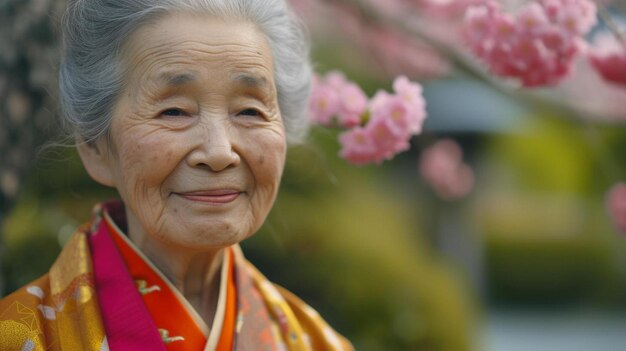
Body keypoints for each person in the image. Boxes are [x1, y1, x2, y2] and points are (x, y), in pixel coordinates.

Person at [0, 1, 353, 350]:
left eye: (250, 110)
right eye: (174, 111)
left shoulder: (317, 343)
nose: (219, 152)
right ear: (95, 147)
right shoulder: (17, 337)